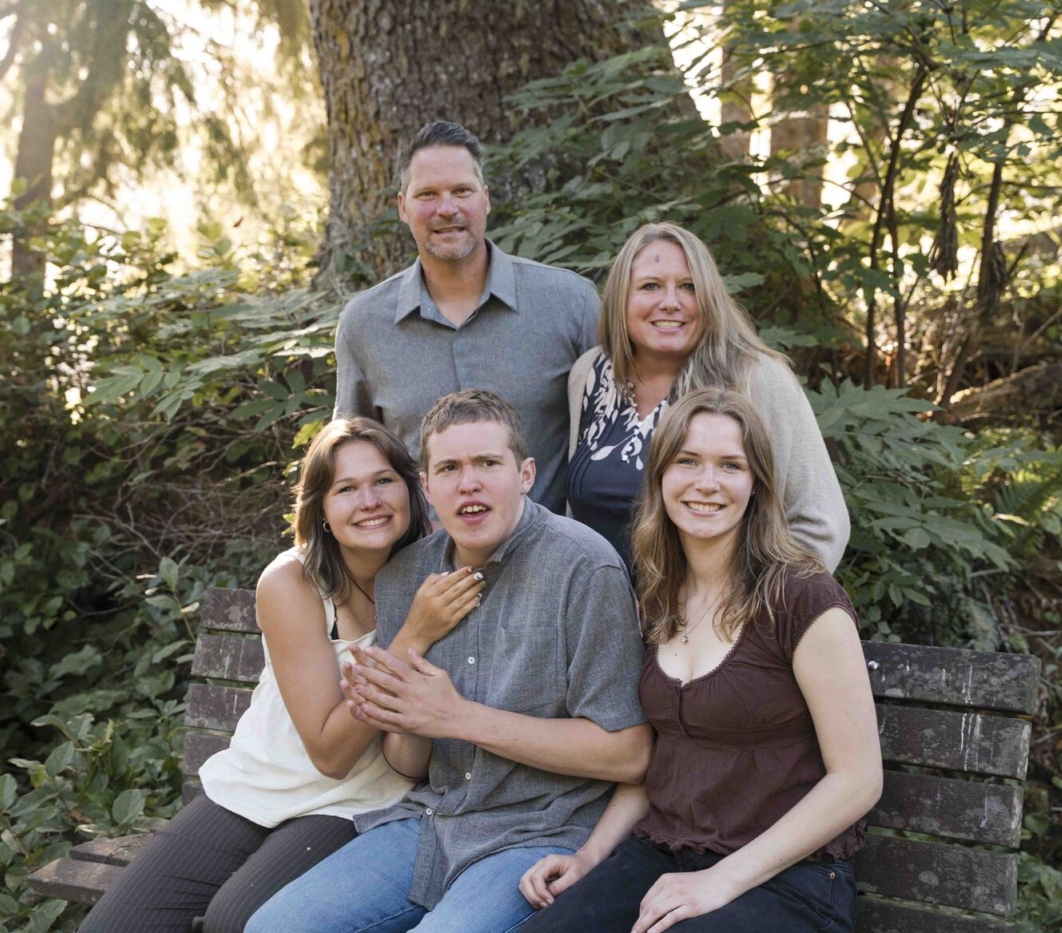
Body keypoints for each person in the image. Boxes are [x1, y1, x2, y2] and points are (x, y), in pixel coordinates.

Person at [245, 389, 652, 933]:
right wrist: (409, 710)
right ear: (427, 487)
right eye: (450, 468)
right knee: (273, 928)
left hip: (538, 833)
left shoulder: (583, 568)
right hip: (432, 822)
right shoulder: (405, 575)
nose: (469, 483)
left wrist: (455, 716)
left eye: (488, 463)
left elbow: (628, 754)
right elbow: (408, 764)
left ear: (526, 474)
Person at [79, 418, 483, 933]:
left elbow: (349, 771)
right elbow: (327, 750)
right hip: (260, 785)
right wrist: (412, 636)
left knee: (235, 922)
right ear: (320, 509)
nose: (370, 501)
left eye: (383, 480)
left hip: (357, 801)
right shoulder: (292, 580)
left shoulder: (437, 571)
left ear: (412, 487)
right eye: (346, 489)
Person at [517, 387, 883, 933]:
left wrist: (723, 879)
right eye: (687, 461)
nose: (706, 483)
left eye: (729, 465)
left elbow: (857, 779)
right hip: (661, 857)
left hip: (783, 877)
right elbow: (661, 756)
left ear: (756, 484)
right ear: (660, 477)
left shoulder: (801, 595)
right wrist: (590, 858)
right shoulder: (657, 595)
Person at [335, 121, 599, 514]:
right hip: (424, 568)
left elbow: (615, 440)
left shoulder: (571, 304)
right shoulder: (364, 325)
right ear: (402, 207)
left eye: (462, 191)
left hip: (554, 565)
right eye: (428, 194)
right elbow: (350, 462)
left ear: (486, 199)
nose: (447, 208)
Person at [566, 222, 848, 569]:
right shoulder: (591, 374)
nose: (670, 303)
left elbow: (821, 526)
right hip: (594, 616)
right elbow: (573, 520)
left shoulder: (756, 380)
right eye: (650, 286)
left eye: (689, 287)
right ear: (620, 299)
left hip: (710, 618)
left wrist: (750, 614)